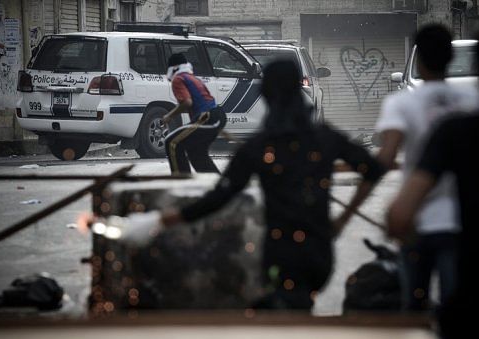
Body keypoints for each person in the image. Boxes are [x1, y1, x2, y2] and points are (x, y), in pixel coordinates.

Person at [161, 60, 385, 310]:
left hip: (280, 253)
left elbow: (221, 196)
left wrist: (171, 218)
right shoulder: (324, 137)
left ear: (266, 95)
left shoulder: (258, 146)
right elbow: (373, 170)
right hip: (319, 254)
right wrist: (343, 219)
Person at [387, 22, 479, 338]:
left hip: (444, 234)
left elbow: (400, 210)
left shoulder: (459, 128)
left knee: (419, 310)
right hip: (452, 231)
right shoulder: (468, 106)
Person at [375, 24, 479, 311]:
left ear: (418, 59)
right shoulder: (474, 101)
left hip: (417, 220)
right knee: (459, 308)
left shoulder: (401, 102)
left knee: (413, 308)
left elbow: (384, 159)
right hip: (464, 222)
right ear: (449, 57)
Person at [162, 53, 226, 174]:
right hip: (214, 116)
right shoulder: (191, 77)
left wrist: (169, 116)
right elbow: (195, 102)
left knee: (172, 142)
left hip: (207, 117)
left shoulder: (178, 79)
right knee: (196, 153)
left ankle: (181, 182)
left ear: (173, 68)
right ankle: (215, 183)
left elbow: (187, 102)